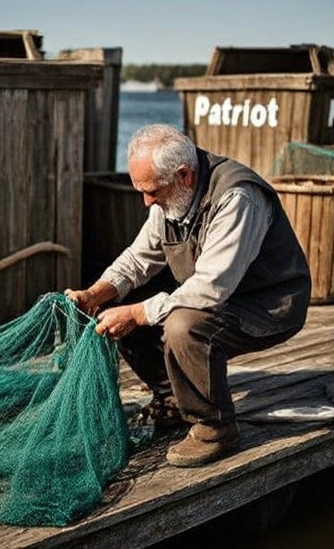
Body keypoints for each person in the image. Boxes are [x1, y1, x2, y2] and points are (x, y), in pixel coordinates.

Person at [65, 124, 311, 467]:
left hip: (269, 305)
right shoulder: (170, 198)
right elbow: (138, 259)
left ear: (184, 175)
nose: (146, 201)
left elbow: (210, 289)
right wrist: (95, 293)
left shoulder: (237, 196)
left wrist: (138, 314)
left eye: (152, 191)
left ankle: (215, 427)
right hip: (221, 294)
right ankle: (173, 401)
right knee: (120, 308)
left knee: (183, 325)